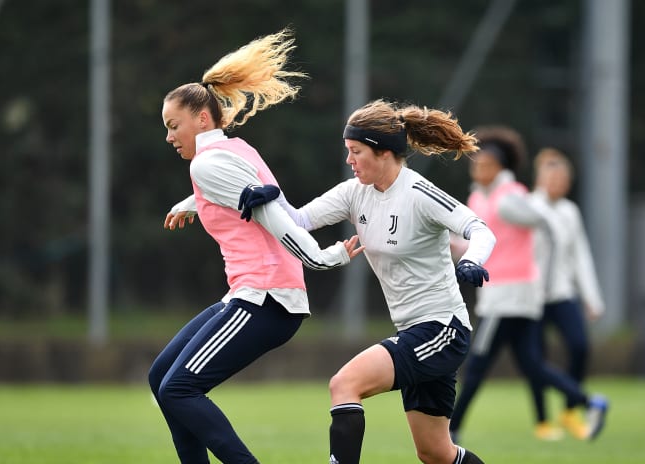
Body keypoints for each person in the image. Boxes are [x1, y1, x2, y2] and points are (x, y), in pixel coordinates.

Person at [148, 28, 365, 464]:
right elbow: (252, 196)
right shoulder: (235, 150)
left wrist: (324, 257)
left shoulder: (209, 164)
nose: (170, 137)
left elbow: (271, 213)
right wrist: (192, 202)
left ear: (202, 120)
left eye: (175, 126)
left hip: (266, 299)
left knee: (178, 388)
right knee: (161, 380)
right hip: (255, 295)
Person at [241, 99, 494, 464]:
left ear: (384, 151)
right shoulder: (353, 193)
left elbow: (479, 229)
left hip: (443, 328)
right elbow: (298, 220)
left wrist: (472, 261)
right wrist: (269, 197)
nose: (350, 161)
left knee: (345, 384)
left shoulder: (418, 193)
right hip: (414, 329)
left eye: (356, 151)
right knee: (436, 453)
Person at [447, 126, 608, 444]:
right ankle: (590, 402)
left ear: (501, 168)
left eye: (484, 164)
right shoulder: (481, 198)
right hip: (505, 296)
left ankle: (451, 429)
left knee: (477, 365)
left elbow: (546, 225)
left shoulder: (509, 200)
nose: (477, 168)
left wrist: (544, 282)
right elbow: (477, 245)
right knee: (533, 366)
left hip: (508, 297)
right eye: (475, 164)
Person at [528, 147, 606, 439]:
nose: (558, 184)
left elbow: (580, 257)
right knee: (535, 358)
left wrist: (592, 298)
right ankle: (542, 421)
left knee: (580, 345)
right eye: (552, 178)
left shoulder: (570, 212)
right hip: (531, 297)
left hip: (562, 293)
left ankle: (570, 409)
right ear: (540, 179)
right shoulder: (527, 206)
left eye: (563, 180)